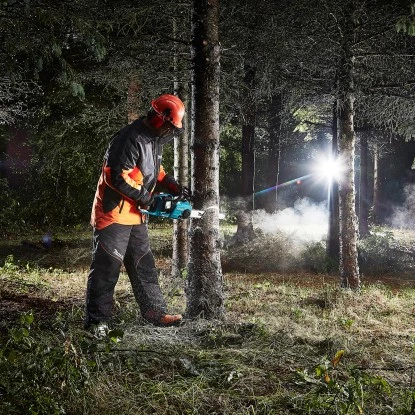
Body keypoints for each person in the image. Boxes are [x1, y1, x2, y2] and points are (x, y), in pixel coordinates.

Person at [85, 94, 190, 336]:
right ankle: (97, 323)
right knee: (107, 268)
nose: (169, 131)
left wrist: (172, 185)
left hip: (135, 215)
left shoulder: (154, 140)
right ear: (159, 118)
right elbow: (116, 177)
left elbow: (156, 171)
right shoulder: (129, 138)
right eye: (169, 125)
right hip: (114, 214)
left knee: (144, 267)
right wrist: (148, 198)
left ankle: (155, 313)